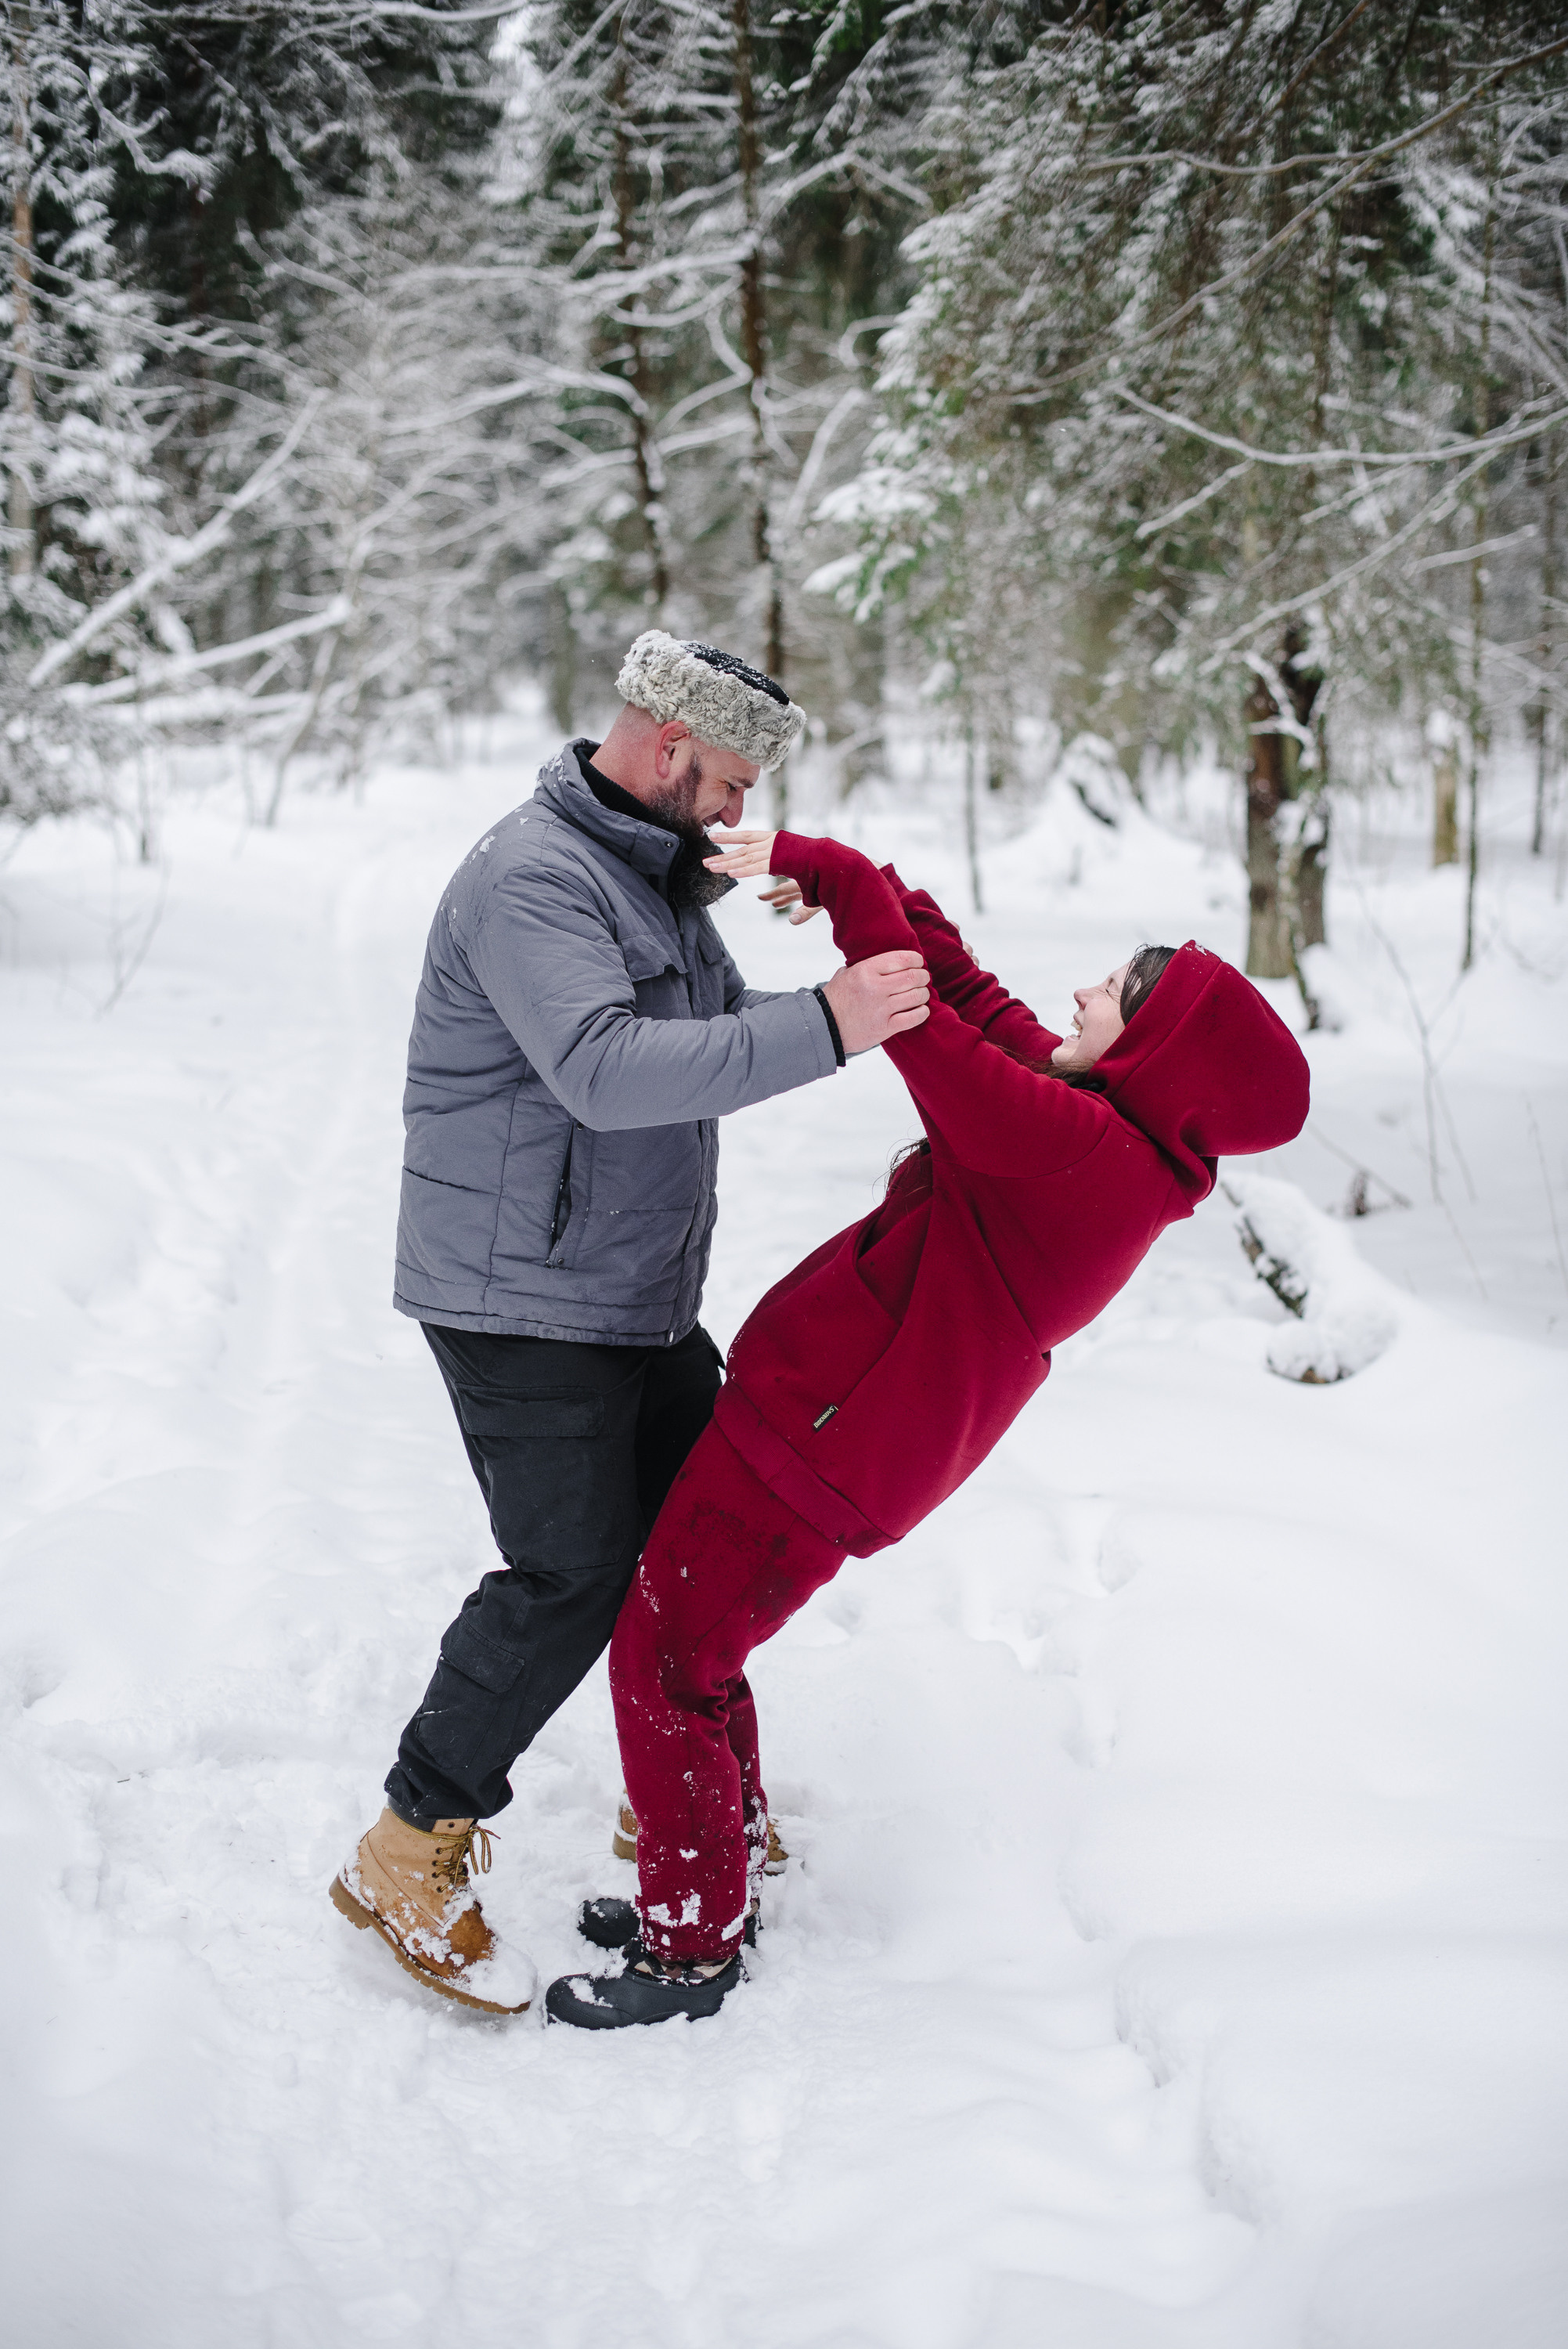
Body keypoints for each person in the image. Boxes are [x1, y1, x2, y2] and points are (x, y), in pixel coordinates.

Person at [544, 826, 1310, 2028]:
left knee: (667, 1656)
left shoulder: (1078, 1157)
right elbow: (959, 988)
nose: (1082, 990)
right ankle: (710, 1870)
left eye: (1114, 993)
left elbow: (919, 1025)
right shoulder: (1098, 1123)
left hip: (826, 1442)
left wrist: (838, 893)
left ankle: (690, 1948)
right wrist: (866, 882)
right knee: (697, 1643)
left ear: (1159, 1052)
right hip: (828, 1427)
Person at [330, 640, 930, 2016]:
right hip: (518, 1295)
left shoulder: (651, 878)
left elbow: (730, 1025)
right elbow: (605, 1072)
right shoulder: (534, 876)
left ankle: (700, 1811)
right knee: (572, 1576)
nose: (731, 815)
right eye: (723, 785)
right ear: (665, 747)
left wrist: (872, 1010)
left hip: (629, 1293)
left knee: (704, 1551)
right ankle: (406, 1849)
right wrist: (833, 1028)